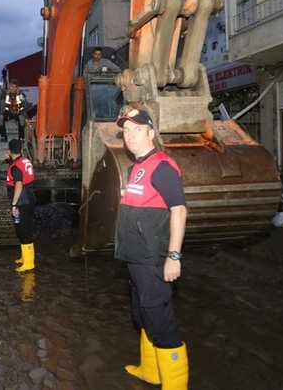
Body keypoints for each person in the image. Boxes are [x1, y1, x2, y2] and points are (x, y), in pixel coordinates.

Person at [115, 107, 189, 389]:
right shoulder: (136, 167)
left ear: (151, 133)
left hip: (152, 259)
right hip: (135, 258)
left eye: (137, 130)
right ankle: (151, 371)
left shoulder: (162, 167)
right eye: (126, 132)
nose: (130, 137)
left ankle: (175, 385)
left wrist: (173, 256)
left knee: (160, 321)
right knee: (142, 314)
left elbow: (179, 211)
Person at [6, 139, 36, 272]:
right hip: (29, 198)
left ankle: (29, 263)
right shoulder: (24, 160)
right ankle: (25, 258)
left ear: (9, 151)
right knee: (24, 229)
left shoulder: (15, 166)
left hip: (21, 201)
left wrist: (13, 205)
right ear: (21, 150)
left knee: (23, 231)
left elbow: (18, 184)